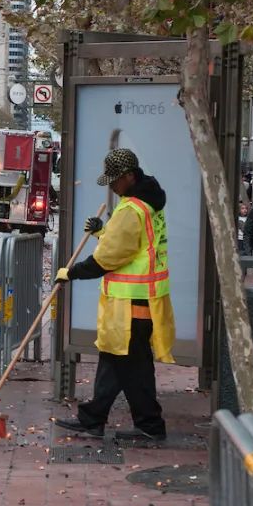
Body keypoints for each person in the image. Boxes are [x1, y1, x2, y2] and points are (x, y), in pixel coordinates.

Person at [53, 148, 174, 442]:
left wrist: (71, 273)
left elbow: (108, 259)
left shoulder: (132, 209)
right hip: (141, 300)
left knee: (132, 368)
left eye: (115, 180)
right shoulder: (147, 204)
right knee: (116, 362)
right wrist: (102, 232)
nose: (111, 186)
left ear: (130, 177)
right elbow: (130, 246)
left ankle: (149, 426)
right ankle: (94, 419)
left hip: (130, 305)